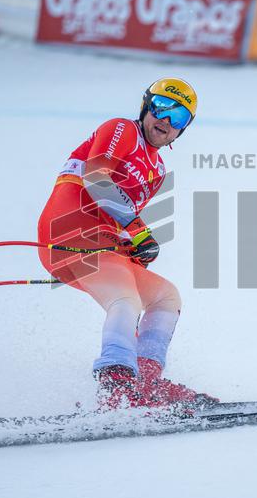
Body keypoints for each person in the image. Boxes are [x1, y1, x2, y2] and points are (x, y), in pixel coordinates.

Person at [37, 78, 218, 410]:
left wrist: (134, 246)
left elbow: (119, 219)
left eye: (178, 118)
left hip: (100, 245)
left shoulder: (157, 169)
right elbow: (96, 178)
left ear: (183, 130)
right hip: (68, 233)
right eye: (161, 108)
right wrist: (138, 230)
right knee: (126, 298)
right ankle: (115, 383)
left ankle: (146, 381)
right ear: (146, 107)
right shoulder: (123, 130)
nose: (165, 121)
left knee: (166, 296)